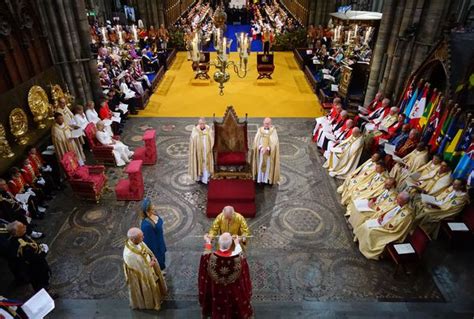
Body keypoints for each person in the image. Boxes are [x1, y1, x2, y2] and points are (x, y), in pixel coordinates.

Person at [198, 232, 253, 318]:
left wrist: (208, 241)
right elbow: (241, 256)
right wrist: (237, 244)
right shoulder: (238, 260)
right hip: (233, 293)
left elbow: (206, 253)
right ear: (231, 244)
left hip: (215, 292)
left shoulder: (209, 258)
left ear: (219, 243)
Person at [354, 192, 413, 260]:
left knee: (370, 231)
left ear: (405, 201)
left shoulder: (407, 214)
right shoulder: (398, 204)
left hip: (390, 230)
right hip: (382, 222)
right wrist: (381, 216)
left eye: (399, 198)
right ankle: (361, 242)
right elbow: (388, 211)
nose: (396, 198)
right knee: (366, 224)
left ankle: (367, 250)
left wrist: (383, 224)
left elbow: (396, 226)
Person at [123, 227, 167, 310]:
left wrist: (151, 256)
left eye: (142, 236)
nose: (143, 238)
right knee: (150, 287)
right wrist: (150, 265)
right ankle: (153, 303)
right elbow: (138, 270)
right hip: (142, 276)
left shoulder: (137, 242)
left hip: (149, 267)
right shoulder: (129, 255)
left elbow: (146, 249)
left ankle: (159, 295)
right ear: (133, 239)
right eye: (141, 237)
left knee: (156, 282)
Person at [6, 221, 52, 294]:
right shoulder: (22, 246)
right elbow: (35, 259)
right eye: (22, 226)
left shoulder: (19, 237)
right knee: (41, 282)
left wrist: (39, 245)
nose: (25, 226)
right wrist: (44, 251)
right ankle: (45, 295)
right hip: (35, 269)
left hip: (31, 267)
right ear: (16, 232)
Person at [251, 117, 280, 185]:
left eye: (268, 123)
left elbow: (275, 142)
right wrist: (261, 148)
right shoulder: (260, 130)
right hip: (261, 153)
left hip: (269, 154)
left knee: (268, 166)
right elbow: (256, 141)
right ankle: (260, 180)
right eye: (265, 123)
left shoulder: (273, 131)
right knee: (260, 164)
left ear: (270, 124)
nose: (266, 125)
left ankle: (267, 179)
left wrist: (268, 149)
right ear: (263, 123)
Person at [140, 198, 167, 272]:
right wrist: (154, 254)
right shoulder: (146, 226)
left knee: (162, 258)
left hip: (160, 240)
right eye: (152, 207)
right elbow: (149, 242)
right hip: (156, 246)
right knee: (159, 261)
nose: (154, 207)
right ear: (147, 211)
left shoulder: (154, 214)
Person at [188, 118, 214, 184]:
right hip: (198, 152)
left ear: (205, 123)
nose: (202, 125)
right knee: (199, 163)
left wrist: (210, 148)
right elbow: (193, 140)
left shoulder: (208, 130)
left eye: (203, 123)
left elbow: (212, 139)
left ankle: (206, 178)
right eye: (200, 123)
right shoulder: (195, 131)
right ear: (199, 124)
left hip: (206, 151)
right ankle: (199, 177)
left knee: (206, 164)